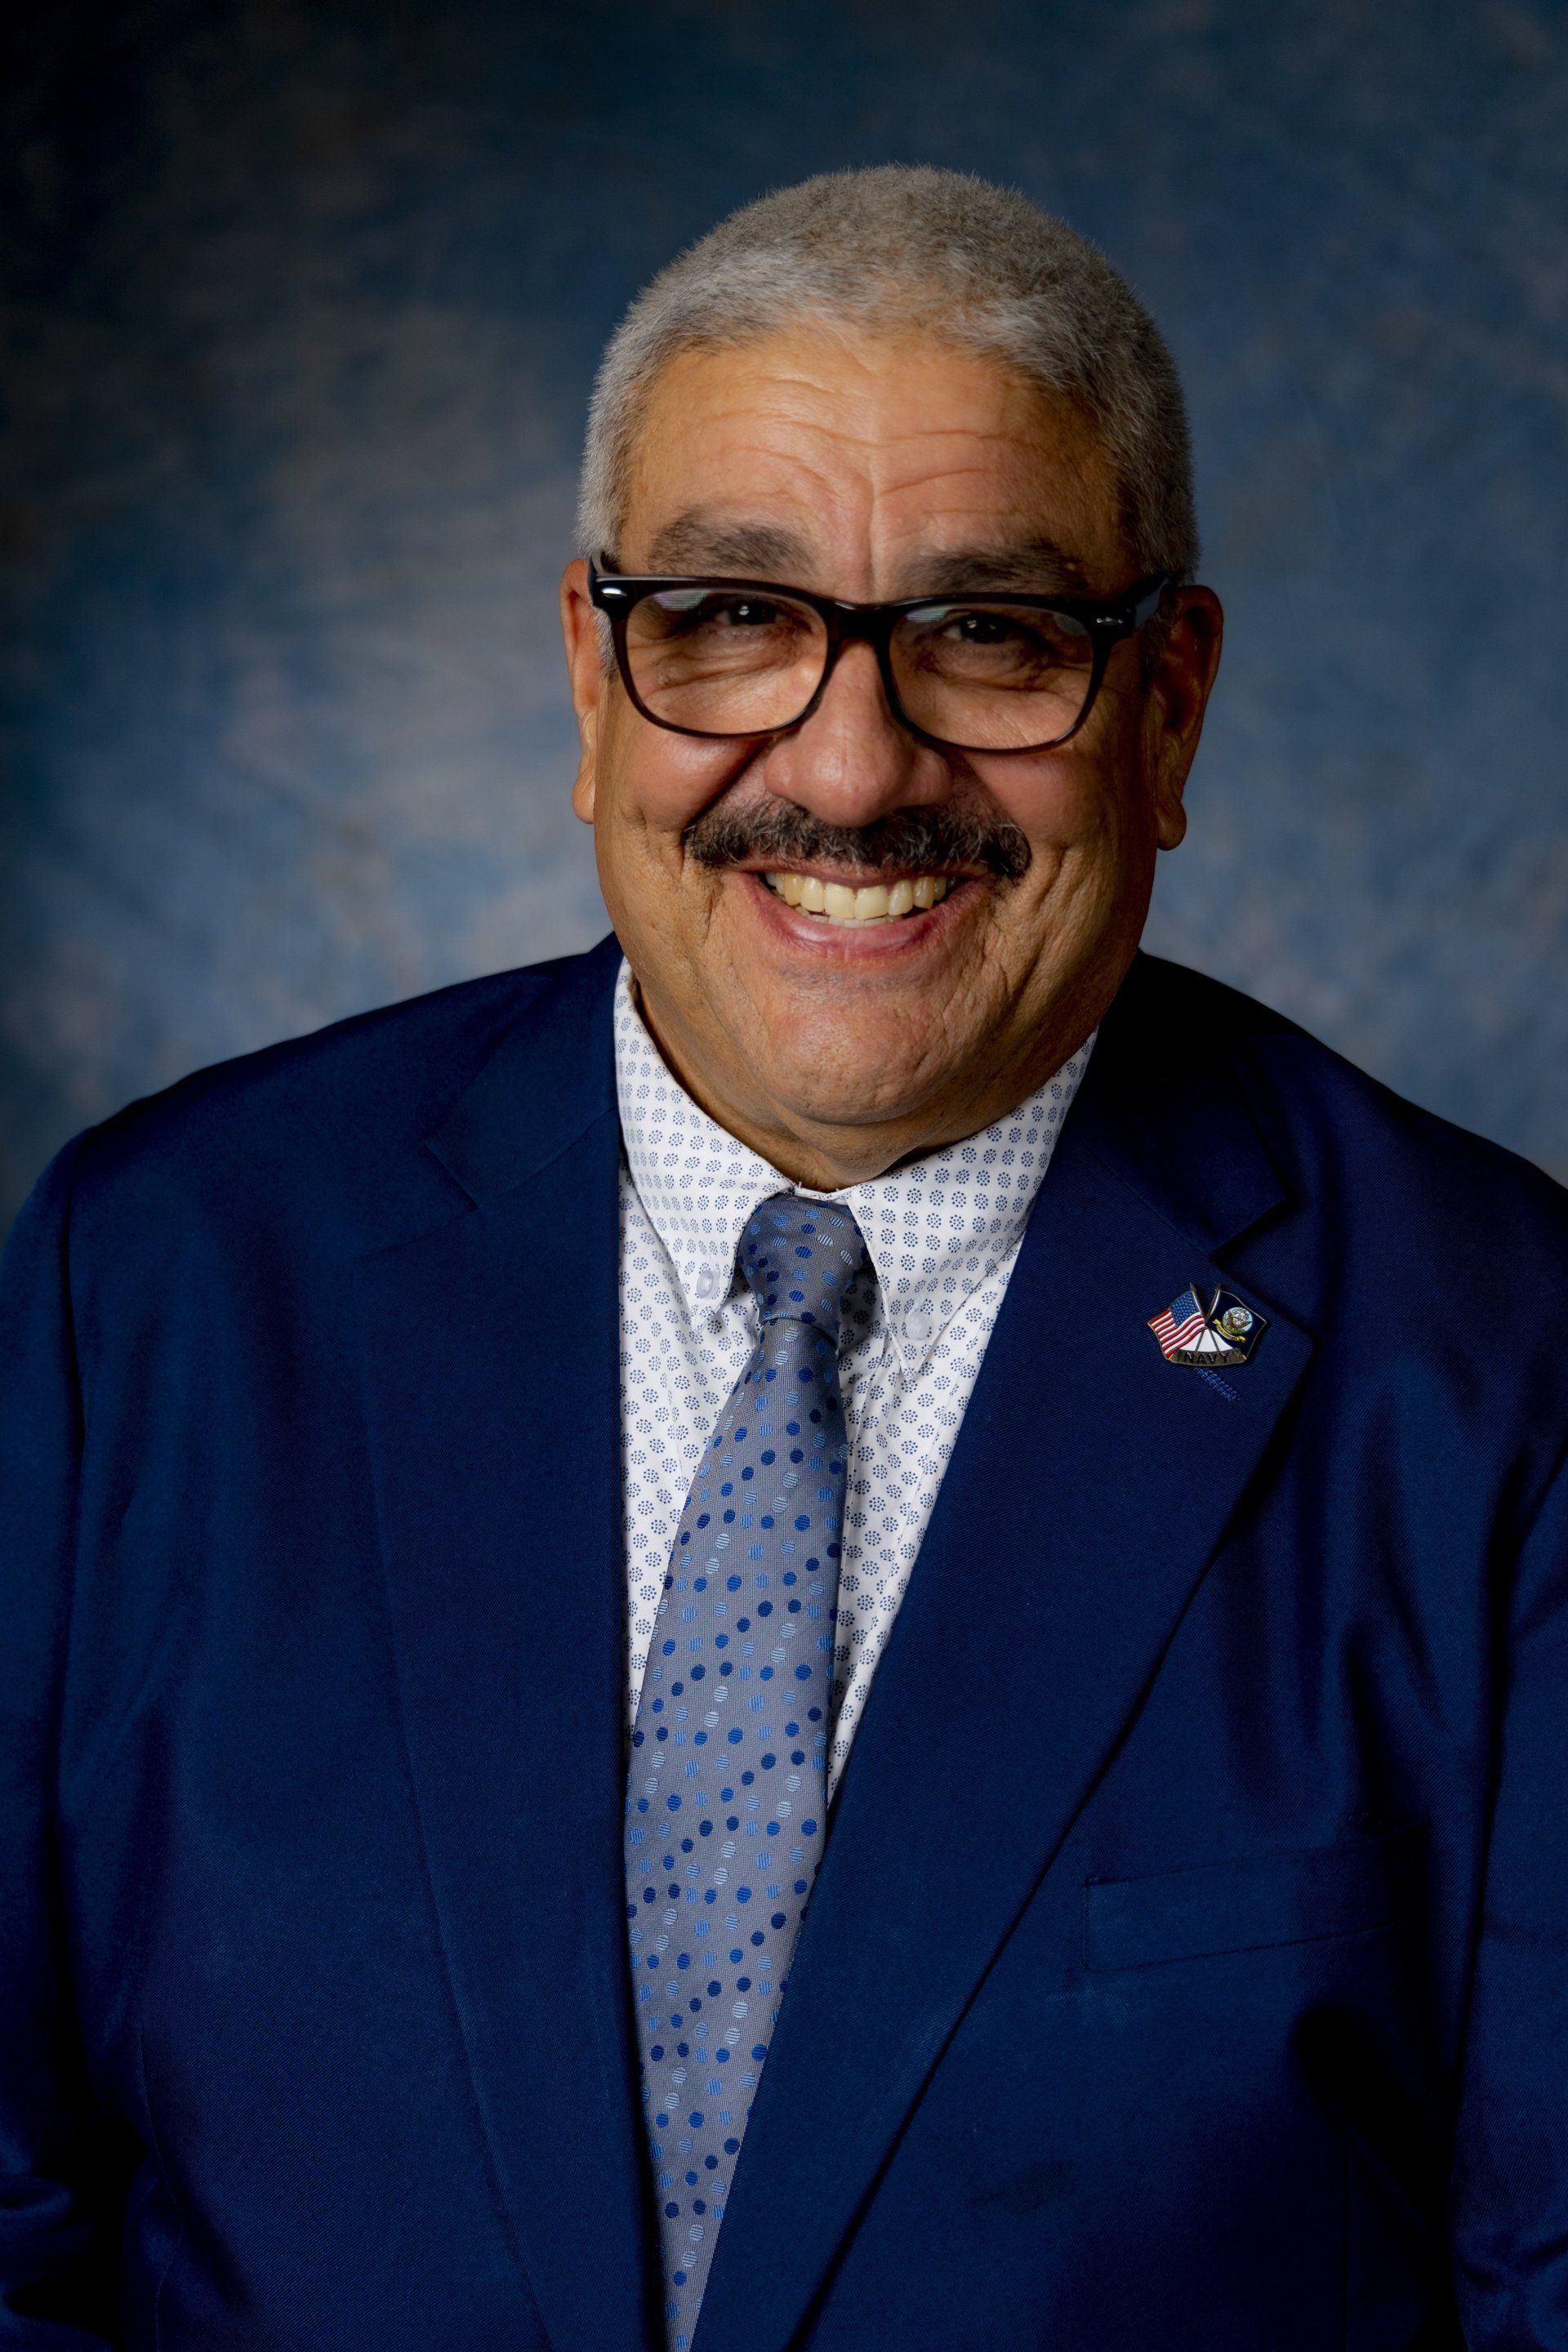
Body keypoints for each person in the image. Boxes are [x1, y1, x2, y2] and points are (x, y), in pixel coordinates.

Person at [2, 164, 1565, 2352]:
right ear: (589, 670)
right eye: (732, 616)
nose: (847, 761)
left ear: (1172, 702)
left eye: (990, 631)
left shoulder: (1501, 1371)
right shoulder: (146, 1287)